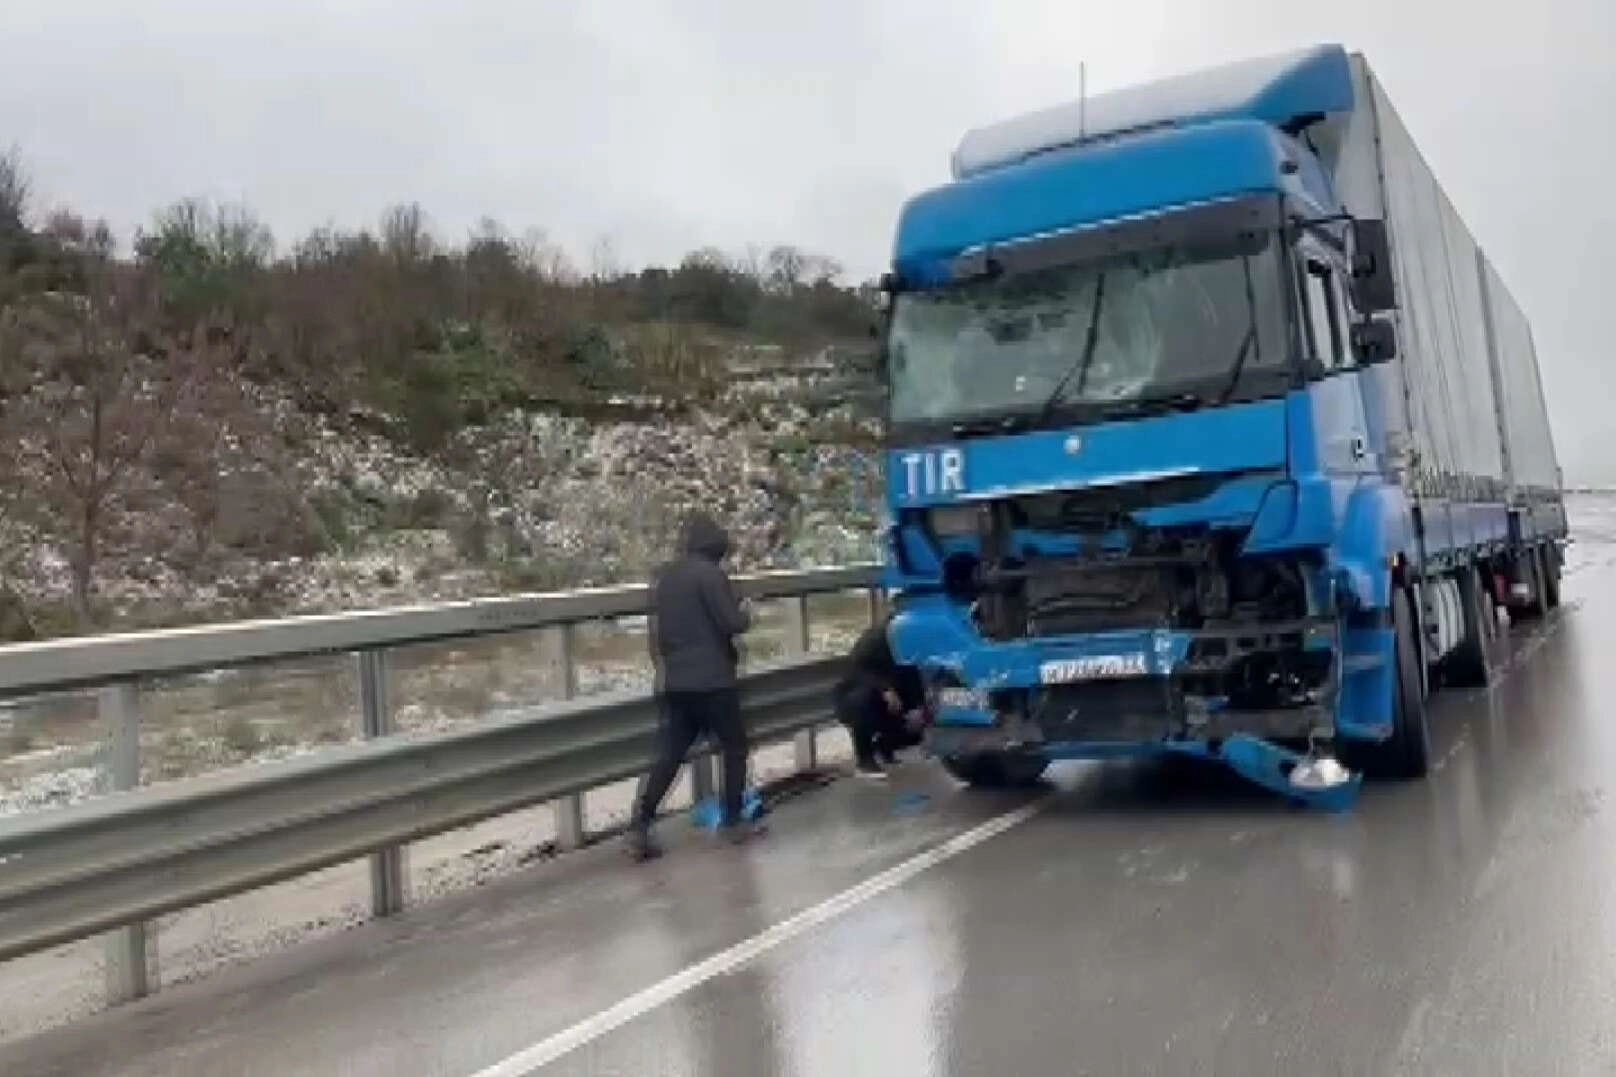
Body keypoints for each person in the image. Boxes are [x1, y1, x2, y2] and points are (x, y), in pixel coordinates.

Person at [628, 511, 760, 861]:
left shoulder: (665, 579)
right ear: (715, 547)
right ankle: (733, 821)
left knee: (670, 755)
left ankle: (640, 822)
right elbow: (731, 623)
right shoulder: (711, 575)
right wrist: (746, 611)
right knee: (734, 747)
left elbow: (658, 633)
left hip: (676, 683)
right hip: (714, 682)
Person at [835, 616, 929, 779]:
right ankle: (864, 760)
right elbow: (856, 671)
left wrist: (918, 706)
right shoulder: (874, 640)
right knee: (862, 700)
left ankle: (886, 747)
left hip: (894, 699)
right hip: (859, 696)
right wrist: (884, 689)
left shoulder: (910, 643)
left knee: (921, 721)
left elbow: (913, 675)